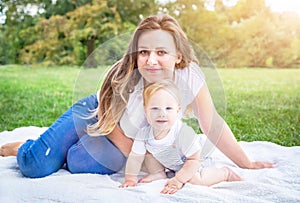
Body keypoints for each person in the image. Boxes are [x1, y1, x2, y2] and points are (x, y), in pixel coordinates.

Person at [0, 14, 273, 178]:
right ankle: (27, 146)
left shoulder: (190, 76)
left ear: (178, 55)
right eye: (144, 52)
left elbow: (211, 122)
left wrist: (245, 162)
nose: (151, 60)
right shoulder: (125, 76)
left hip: (124, 136)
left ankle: (60, 148)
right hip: (96, 115)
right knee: (36, 165)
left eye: (161, 52)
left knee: (78, 161)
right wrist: (149, 162)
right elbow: (108, 122)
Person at [119, 80, 242, 194]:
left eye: (168, 108)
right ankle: (159, 173)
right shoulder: (144, 134)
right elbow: (135, 157)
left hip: (197, 161)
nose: (162, 114)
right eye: (155, 108)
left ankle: (225, 173)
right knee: (148, 153)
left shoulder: (183, 133)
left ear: (177, 111)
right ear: (146, 111)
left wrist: (178, 180)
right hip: (174, 163)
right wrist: (130, 178)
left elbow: (194, 159)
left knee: (195, 180)